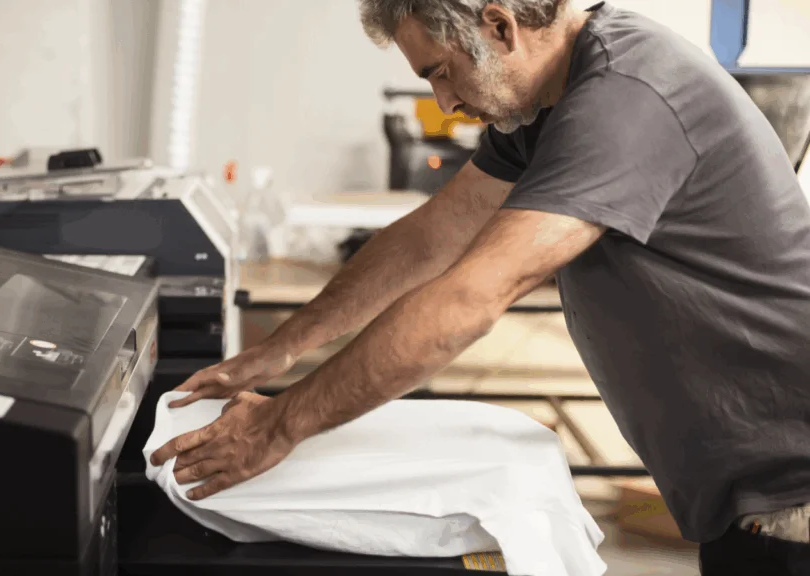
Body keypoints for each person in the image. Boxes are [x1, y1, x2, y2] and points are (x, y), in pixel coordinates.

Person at [150, 1, 810, 573]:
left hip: (792, 496)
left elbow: (470, 297)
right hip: (746, 497)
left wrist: (279, 425)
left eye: (440, 71)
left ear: (498, 27)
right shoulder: (548, 105)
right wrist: (283, 347)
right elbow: (433, 237)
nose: (444, 102)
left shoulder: (627, 98)